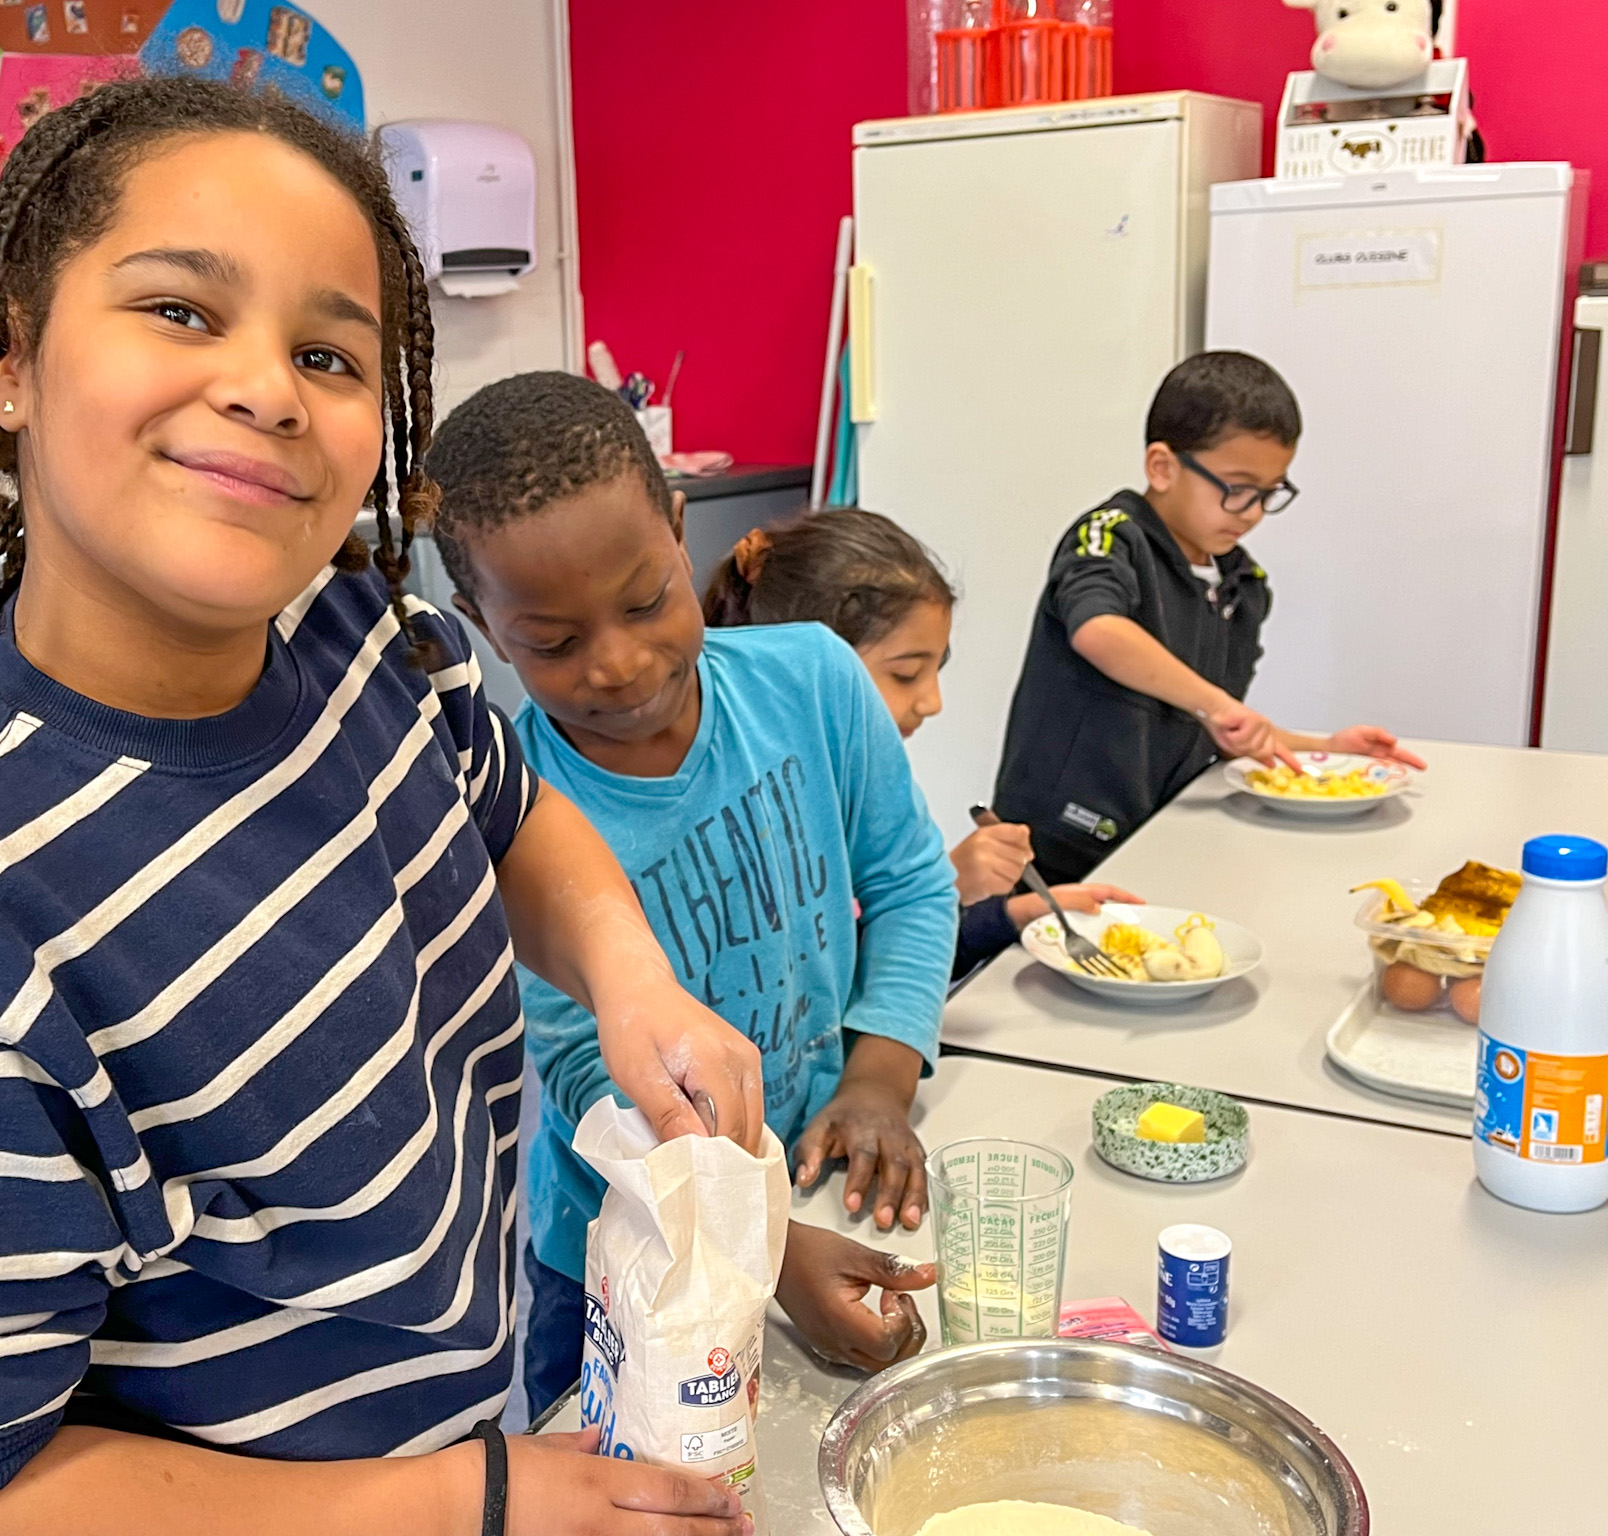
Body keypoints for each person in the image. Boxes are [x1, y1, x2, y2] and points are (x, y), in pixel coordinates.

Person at [0, 79, 770, 1536]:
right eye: (182, 312)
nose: (271, 387)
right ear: (10, 360)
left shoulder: (370, 644)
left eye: (331, 352)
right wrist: (458, 1505)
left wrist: (631, 977)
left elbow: (508, 811)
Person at [425, 372, 956, 1420]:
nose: (617, 664)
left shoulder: (813, 680)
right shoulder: (505, 819)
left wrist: (880, 1078)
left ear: (678, 530)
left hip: (813, 1174)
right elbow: (586, 1073)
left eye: (642, 602)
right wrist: (757, 1243)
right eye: (554, 643)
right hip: (629, 1259)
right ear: (482, 626)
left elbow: (908, 883)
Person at [993, 351, 1426, 884]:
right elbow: (1098, 630)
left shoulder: (1243, 585)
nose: (1253, 512)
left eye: (1270, 492)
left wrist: (1326, 749)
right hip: (1060, 841)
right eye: (1237, 488)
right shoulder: (1111, 537)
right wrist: (1217, 706)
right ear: (1163, 467)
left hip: (1162, 830)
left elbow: (1226, 729)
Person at [701, 507, 1139, 981]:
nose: (932, 702)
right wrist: (942, 888)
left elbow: (905, 967)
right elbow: (827, 984)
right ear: (807, 664)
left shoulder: (859, 786)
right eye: (906, 674)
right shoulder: (747, 819)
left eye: (935, 670)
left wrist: (1008, 916)